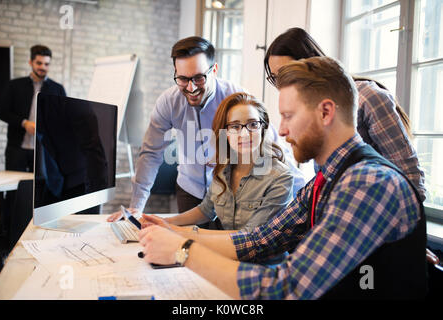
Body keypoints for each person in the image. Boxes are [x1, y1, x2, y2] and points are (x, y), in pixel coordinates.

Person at [137, 57, 427, 299]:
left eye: (288, 116)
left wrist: (184, 250)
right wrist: (172, 234)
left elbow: (287, 288)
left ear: (325, 112)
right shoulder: (326, 180)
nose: (282, 130)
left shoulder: (368, 183)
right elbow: (261, 238)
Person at [108, 36, 303, 221]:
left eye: (199, 78)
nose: (191, 88)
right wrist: (137, 207)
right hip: (189, 189)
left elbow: (272, 145)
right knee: (188, 246)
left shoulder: (236, 98)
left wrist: (303, 195)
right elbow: (151, 154)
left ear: (214, 70)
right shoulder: (168, 102)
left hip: (229, 191)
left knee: (223, 244)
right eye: (183, 79)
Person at [264, 27, 426, 201]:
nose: (281, 85)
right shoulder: (312, 109)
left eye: (284, 73)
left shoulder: (368, 98)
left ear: (309, 63)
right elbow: (325, 179)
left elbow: (412, 180)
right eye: (275, 78)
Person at [139, 92, 300, 243]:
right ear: (225, 133)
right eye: (235, 127)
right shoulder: (224, 168)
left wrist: (176, 231)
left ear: (263, 128)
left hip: (261, 266)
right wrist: (164, 221)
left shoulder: (280, 177)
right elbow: (207, 209)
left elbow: (250, 237)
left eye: (252, 124)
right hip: (227, 256)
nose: (244, 134)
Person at [0, 45, 66, 172]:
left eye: (47, 64)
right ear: (31, 62)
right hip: (17, 148)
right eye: (39, 63)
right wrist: (24, 123)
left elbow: (63, 118)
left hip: (44, 150)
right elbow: (3, 112)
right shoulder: (14, 85)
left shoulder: (58, 89)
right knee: (15, 189)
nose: (43, 67)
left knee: (39, 189)